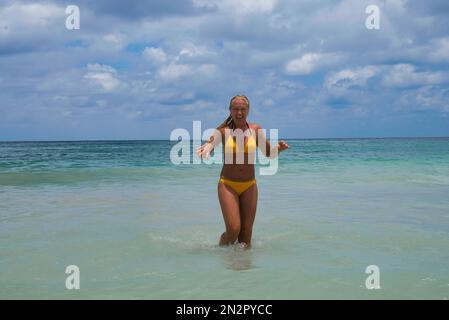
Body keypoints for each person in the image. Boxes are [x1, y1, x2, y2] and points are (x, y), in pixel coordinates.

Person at [196, 95, 289, 249]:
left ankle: (243, 268)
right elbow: (211, 143)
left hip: (249, 186)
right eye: (236, 109)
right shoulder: (223, 131)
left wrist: (278, 149)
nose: (239, 112)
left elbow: (268, 153)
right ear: (230, 111)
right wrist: (207, 147)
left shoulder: (255, 129)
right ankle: (220, 252)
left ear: (248, 110)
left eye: (242, 109)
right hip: (228, 185)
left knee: (246, 235)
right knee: (233, 230)